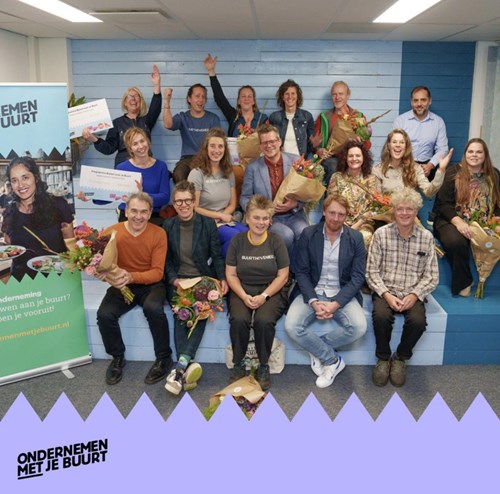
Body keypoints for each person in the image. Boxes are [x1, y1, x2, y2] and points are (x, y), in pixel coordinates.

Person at [285, 194, 367, 388]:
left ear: (346, 216)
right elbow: (301, 272)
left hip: (341, 293)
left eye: (341, 214)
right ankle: (332, 360)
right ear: (324, 211)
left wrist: (336, 304)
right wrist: (313, 301)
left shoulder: (356, 238)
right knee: (292, 326)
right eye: (332, 213)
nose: (336, 218)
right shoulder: (308, 234)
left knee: (358, 327)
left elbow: (357, 277)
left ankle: (317, 349)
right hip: (312, 291)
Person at [96, 192, 173, 386]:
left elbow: (157, 272)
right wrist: (106, 276)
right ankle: (117, 357)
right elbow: (100, 264)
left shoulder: (159, 233)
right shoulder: (111, 232)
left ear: (150, 213)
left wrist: (131, 276)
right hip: (122, 284)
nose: (139, 216)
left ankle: (164, 358)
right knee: (104, 315)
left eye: (144, 212)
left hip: (150, 284)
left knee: (153, 309)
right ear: (126, 211)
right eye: (134, 211)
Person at [366, 188, 438, 387]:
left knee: (418, 322)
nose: (404, 213)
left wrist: (415, 295)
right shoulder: (381, 235)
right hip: (386, 290)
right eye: (400, 209)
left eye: (409, 209)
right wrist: (386, 295)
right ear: (394, 211)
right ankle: (383, 358)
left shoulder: (426, 237)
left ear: (416, 211)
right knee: (381, 317)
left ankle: (400, 358)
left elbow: (432, 276)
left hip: (412, 292)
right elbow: (371, 272)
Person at [163, 180, 228, 395]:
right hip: (179, 280)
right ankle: (184, 367)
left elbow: (216, 254)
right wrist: (174, 280)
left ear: (194, 201)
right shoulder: (168, 226)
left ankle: (179, 367)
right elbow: (166, 260)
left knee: (199, 311)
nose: (183, 205)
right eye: (178, 201)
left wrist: (222, 278)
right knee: (181, 313)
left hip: (201, 279)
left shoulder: (207, 224)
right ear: (174, 204)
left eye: (187, 200)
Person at [225, 195, 290, 391]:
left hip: (271, 289)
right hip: (242, 288)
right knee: (238, 319)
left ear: (270, 220)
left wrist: (264, 296)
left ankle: (263, 365)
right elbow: (231, 274)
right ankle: (238, 363)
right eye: (256, 217)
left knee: (263, 320)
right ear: (247, 218)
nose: (261, 223)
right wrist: (243, 296)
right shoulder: (237, 241)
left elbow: (283, 276)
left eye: (265, 218)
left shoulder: (276, 241)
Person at [433, 138, 500, 296]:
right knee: (456, 241)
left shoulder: (494, 175)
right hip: (450, 219)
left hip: (484, 221)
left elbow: (498, 204)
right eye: (470, 151)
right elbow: (443, 204)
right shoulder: (453, 172)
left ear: (485, 155)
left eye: (479, 152)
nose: (474, 155)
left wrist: (496, 222)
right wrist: (459, 223)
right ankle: (464, 282)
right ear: (465, 154)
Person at [240, 123, 308, 258]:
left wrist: (295, 204)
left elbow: (307, 193)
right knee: (286, 235)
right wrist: (262, 215)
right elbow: (245, 197)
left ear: (279, 141)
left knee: (305, 232)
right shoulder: (252, 167)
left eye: (272, 141)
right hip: (270, 219)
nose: (269, 145)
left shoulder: (296, 161)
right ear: (260, 146)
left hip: (294, 215)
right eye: (264, 143)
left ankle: (299, 269)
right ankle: (285, 269)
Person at [1, 157, 74, 280]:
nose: (20, 185)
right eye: (14, 180)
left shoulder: (59, 205)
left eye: (25, 177)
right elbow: (9, 243)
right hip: (21, 281)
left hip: (56, 280)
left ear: (36, 177)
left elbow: (72, 245)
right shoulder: (9, 212)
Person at [82, 64, 162, 167]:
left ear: (141, 101)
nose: (133, 99)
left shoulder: (147, 120)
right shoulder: (117, 123)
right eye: (130, 96)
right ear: (125, 102)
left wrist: (157, 85)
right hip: (124, 164)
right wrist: (93, 138)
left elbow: (156, 108)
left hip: (145, 162)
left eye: (136, 96)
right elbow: (109, 149)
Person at [187, 128, 247, 256]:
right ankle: (220, 266)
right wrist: (218, 217)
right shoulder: (196, 173)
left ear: (225, 150)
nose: (216, 150)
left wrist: (222, 217)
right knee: (235, 237)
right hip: (204, 221)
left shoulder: (228, 172)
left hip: (224, 219)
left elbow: (232, 204)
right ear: (206, 148)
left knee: (248, 235)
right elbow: (194, 207)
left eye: (220, 146)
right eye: (212, 146)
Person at [313, 80, 370, 185]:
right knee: (333, 165)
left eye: (341, 94)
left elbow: (367, 144)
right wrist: (319, 150)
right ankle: (332, 194)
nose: (337, 97)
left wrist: (360, 142)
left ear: (348, 95)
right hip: (332, 158)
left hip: (353, 158)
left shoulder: (358, 117)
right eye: (334, 94)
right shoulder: (324, 117)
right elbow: (315, 143)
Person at [163, 83, 221, 183]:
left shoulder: (213, 118)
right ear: (189, 99)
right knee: (179, 174)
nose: (201, 100)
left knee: (207, 178)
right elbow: (168, 124)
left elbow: (218, 142)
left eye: (203, 97)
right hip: (187, 159)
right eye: (197, 96)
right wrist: (167, 101)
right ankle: (185, 194)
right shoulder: (183, 117)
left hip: (206, 158)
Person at [372, 129, 452, 198]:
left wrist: (441, 170)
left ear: (406, 147)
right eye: (394, 142)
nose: (398, 145)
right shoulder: (378, 169)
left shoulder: (415, 168)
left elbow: (429, 192)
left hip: (409, 210)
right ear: (389, 146)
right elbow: (376, 199)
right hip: (387, 210)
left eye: (402, 142)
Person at [328, 141, 379, 246]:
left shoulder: (371, 179)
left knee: (364, 237)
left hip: (363, 223)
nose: (354, 159)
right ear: (345, 158)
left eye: (358, 155)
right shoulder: (336, 177)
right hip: (339, 221)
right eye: (350, 156)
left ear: (363, 158)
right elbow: (331, 203)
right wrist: (343, 224)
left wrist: (356, 225)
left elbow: (374, 207)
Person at [203, 53, 268, 137]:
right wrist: (211, 71)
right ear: (238, 101)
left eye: (249, 96)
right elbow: (220, 98)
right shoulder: (233, 116)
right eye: (243, 96)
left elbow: (268, 138)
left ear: (253, 101)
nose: (246, 99)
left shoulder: (262, 118)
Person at [393, 86, 449, 180]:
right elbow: (394, 146)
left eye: (423, 100)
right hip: (404, 166)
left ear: (429, 101)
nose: (419, 104)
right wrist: (407, 165)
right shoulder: (400, 121)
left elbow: (442, 148)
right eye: (416, 100)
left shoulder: (438, 122)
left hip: (428, 166)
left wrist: (430, 165)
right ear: (411, 102)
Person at [269, 79, 315, 157]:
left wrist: (316, 146)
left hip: (301, 161)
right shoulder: (274, 117)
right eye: (287, 94)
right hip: (282, 159)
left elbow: (311, 144)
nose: (290, 97)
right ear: (282, 97)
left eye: (293, 93)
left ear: (297, 96)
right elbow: (270, 142)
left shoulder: (307, 116)